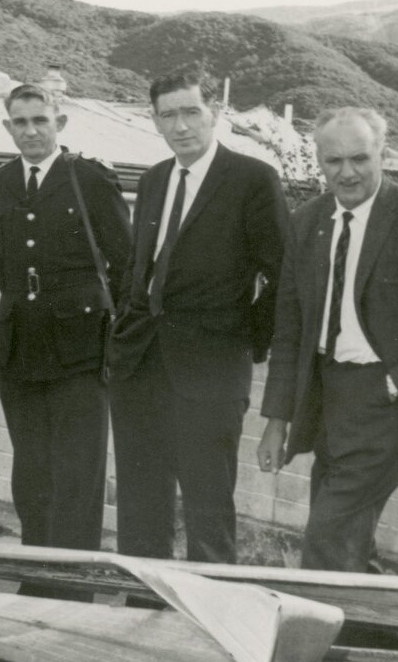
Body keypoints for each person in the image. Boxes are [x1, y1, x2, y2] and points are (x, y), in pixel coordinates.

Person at [256, 108, 398, 573]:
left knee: (328, 536)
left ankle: (317, 645)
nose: (348, 172)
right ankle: (375, 635)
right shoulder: (305, 223)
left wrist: (396, 385)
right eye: (333, 161)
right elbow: (290, 329)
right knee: (346, 538)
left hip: (387, 404)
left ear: (383, 154)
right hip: (326, 398)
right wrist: (277, 420)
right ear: (318, 160)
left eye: (360, 158)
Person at [108, 68, 287, 563]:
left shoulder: (252, 180)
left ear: (216, 113)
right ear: (156, 121)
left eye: (191, 112)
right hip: (140, 364)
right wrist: (125, 324)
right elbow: (137, 268)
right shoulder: (153, 180)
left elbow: (282, 275)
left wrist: (244, 336)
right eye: (169, 115)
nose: (181, 126)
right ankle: (143, 606)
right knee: (140, 505)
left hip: (210, 370)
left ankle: (210, 618)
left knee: (208, 508)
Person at [0, 83, 131, 555]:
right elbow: (3, 265)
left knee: (77, 475)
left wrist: (116, 343)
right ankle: (36, 574)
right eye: (20, 122)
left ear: (59, 123)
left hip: (81, 349)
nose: (30, 131)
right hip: (21, 346)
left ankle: (72, 587)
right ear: (8, 127)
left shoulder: (89, 179)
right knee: (30, 473)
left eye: (40, 120)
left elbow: (126, 265)